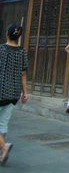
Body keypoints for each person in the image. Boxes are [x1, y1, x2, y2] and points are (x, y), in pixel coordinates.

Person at [0, 23, 29, 165]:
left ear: (7, 34)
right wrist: (25, 92)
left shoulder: (1, 49)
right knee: (3, 123)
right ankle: (1, 151)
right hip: (13, 93)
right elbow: (23, 74)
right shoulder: (22, 52)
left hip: (1, 90)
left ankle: (4, 146)